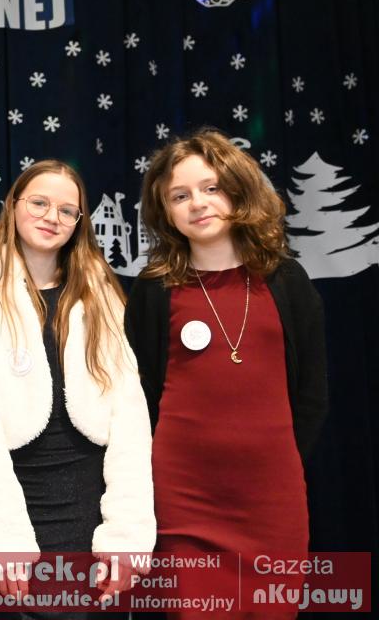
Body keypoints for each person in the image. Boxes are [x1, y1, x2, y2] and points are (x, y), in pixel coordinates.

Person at [126, 129, 327, 620]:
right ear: (165, 212)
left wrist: (273, 459)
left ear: (238, 191)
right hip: (184, 499)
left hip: (271, 499)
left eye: (211, 188)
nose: (198, 203)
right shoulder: (154, 289)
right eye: (180, 196)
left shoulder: (287, 279)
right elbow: (140, 396)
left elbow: (312, 393)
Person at [0, 161, 155, 617]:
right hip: (20, 501)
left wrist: (127, 535)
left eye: (66, 210)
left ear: (79, 222)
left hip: (91, 506)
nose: (51, 217)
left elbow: (131, 420)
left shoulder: (101, 296)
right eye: (39, 202)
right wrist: (1, 540)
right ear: (13, 206)